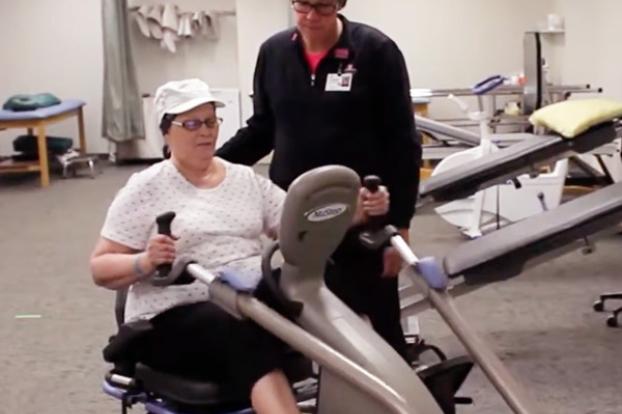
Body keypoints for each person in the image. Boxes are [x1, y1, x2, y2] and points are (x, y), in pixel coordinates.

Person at [90, 78, 389, 414]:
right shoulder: (146, 187)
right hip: (173, 315)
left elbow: (299, 225)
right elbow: (100, 267)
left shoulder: (243, 179)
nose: (205, 132)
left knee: (337, 284)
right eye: (191, 124)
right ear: (165, 132)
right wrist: (144, 261)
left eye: (210, 121)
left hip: (246, 297)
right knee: (241, 329)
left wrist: (360, 210)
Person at [216, 0, 420, 360]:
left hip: (361, 212)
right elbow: (263, 129)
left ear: (340, 4)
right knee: (300, 312)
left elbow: (403, 142)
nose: (311, 16)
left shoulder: (376, 51)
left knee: (378, 320)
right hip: (292, 213)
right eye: (302, 5)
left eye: (323, 7)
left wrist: (400, 223)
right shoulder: (274, 52)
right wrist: (210, 165)